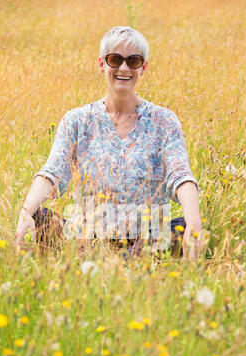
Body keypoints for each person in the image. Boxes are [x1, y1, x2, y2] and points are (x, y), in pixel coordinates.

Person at [15, 26, 203, 260]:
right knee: (38, 218)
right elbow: (52, 173)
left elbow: (181, 176)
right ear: (102, 64)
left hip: (149, 239)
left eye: (133, 61)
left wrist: (194, 223)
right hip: (86, 238)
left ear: (143, 68)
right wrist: (26, 211)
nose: (123, 68)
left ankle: (135, 259)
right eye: (115, 59)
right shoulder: (77, 120)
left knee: (187, 226)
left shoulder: (164, 121)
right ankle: (97, 258)